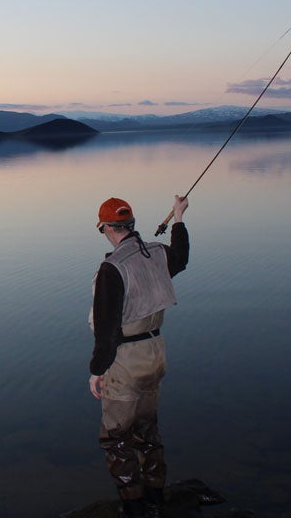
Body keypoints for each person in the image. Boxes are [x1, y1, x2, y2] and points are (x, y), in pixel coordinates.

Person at [88, 195, 189, 518]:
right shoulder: (157, 254)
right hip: (156, 353)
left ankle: (133, 505)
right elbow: (182, 258)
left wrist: (97, 370)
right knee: (146, 428)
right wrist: (178, 219)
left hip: (126, 360)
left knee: (116, 437)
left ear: (104, 227)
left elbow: (106, 329)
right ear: (130, 225)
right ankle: (156, 495)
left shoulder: (112, 268)